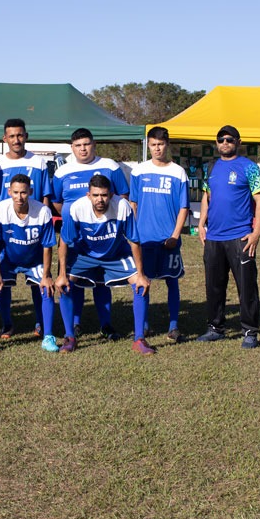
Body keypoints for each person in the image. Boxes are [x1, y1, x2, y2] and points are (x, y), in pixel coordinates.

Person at [56, 174, 153, 355]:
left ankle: (139, 339)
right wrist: (62, 274)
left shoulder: (122, 207)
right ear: (88, 195)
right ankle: (70, 337)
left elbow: (134, 241)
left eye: (104, 195)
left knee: (141, 285)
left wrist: (141, 273)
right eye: (96, 195)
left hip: (116, 254)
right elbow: (64, 241)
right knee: (65, 284)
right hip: (84, 254)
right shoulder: (76, 208)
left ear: (111, 194)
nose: (100, 199)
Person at [52, 127, 130, 340]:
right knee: (72, 279)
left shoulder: (109, 166)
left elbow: (122, 195)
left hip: (104, 235)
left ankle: (106, 324)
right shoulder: (62, 171)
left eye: (86, 144)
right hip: (74, 237)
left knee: (101, 280)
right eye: (78, 145)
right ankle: (75, 324)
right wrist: (75, 219)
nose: (83, 149)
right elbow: (57, 202)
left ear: (94, 145)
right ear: (72, 148)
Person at [196, 125, 260, 348]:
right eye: (220, 140)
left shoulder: (250, 167)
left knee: (246, 286)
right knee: (214, 285)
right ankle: (215, 328)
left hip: (240, 237)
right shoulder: (212, 166)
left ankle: (250, 332)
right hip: (214, 237)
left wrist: (256, 233)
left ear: (238, 142)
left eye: (229, 139)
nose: (224, 143)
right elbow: (207, 196)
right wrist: (201, 223)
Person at [0, 118, 54, 338]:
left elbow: (45, 197)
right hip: (7, 232)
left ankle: (40, 323)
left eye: (20, 135)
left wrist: (42, 227)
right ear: (5, 138)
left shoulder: (38, 163)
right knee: (3, 282)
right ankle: (7, 323)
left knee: (38, 280)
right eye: (12, 136)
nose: (16, 140)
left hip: (33, 231)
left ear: (26, 136)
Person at [0, 174, 59, 354]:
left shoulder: (42, 211)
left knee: (46, 289)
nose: (19, 197)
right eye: (16, 192)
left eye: (24, 192)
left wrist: (47, 275)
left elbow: (47, 246)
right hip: (7, 258)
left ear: (30, 192)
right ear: (9, 192)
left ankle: (47, 335)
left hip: (33, 260)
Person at [129, 126, 189, 341]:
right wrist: (132, 234)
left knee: (171, 281)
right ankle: (143, 326)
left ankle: (173, 326)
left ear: (167, 145)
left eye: (160, 144)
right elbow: (133, 203)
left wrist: (174, 235)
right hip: (143, 240)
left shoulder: (178, 172)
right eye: (153, 144)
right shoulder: (138, 171)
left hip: (168, 240)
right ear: (148, 146)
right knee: (142, 281)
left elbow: (184, 208)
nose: (157, 148)